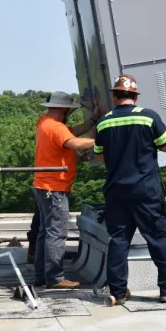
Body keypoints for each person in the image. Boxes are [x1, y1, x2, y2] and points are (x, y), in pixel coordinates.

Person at [94, 74, 166, 306]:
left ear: (115, 96)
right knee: (159, 238)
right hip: (145, 191)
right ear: (135, 97)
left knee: (118, 241)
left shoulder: (104, 122)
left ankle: (117, 293)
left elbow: (98, 154)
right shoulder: (148, 117)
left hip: (116, 191)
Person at [33, 91, 98, 289]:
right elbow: (75, 142)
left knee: (45, 232)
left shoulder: (44, 122)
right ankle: (55, 278)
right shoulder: (56, 127)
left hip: (43, 186)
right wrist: (107, 140)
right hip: (55, 189)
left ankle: (42, 275)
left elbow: (73, 134)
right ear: (64, 109)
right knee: (56, 233)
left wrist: (94, 119)